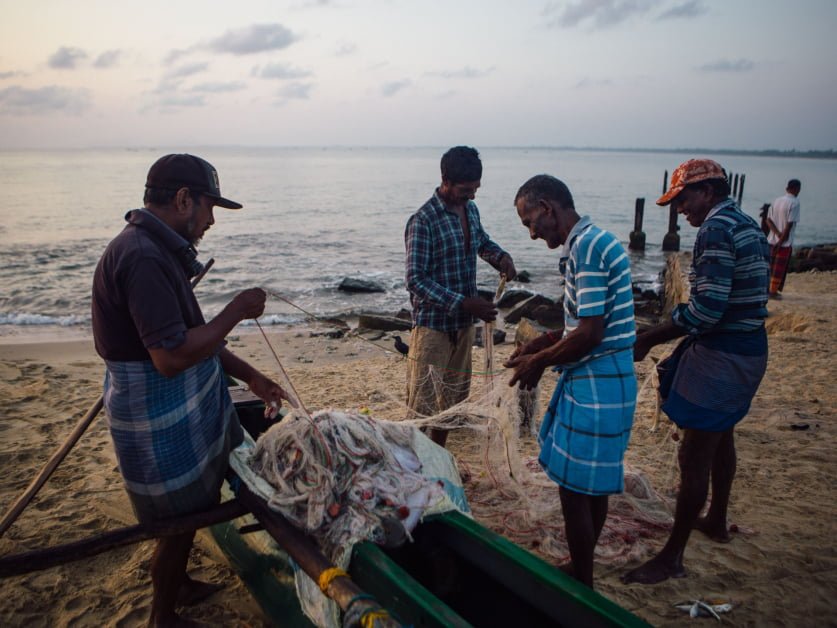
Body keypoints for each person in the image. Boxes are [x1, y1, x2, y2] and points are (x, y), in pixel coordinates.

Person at [91, 154, 291, 627]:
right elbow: (171, 356)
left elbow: (194, 336)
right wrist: (237, 309)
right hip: (157, 418)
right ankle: (162, 617)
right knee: (177, 522)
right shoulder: (141, 257)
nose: (211, 220)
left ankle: (177, 585)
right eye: (208, 207)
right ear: (183, 200)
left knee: (186, 515)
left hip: (177, 410)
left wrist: (251, 376)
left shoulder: (158, 250)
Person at [621, 159, 769, 585]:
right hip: (749, 348)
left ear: (707, 191)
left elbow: (707, 308)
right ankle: (717, 520)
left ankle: (672, 556)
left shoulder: (716, 229)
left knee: (694, 454)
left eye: (683, 199)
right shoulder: (746, 223)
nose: (680, 210)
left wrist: (651, 335)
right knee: (722, 437)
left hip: (724, 356)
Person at [504, 174, 636, 588]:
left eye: (530, 221)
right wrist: (539, 345)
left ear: (548, 207)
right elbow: (579, 324)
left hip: (598, 383)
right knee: (591, 486)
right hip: (603, 379)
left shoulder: (588, 248)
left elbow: (591, 334)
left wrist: (540, 362)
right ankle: (583, 568)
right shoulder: (590, 242)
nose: (530, 233)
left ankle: (583, 581)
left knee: (575, 492)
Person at [404, 146, 516, 447]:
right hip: (433, 327)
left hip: (464, 326)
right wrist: (463, 302)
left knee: (454, 400)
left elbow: (480, 241)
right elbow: (415, 279)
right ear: (445, 181)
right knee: (422, 403)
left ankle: (439, 455)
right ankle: (414, 461)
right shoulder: (423, 220)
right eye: (466, 190)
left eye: (476, 190)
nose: (473, 196)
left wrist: (500, 257)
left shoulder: (470, 210)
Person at [765, 179, 801, 299]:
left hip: (771, 240)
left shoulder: (777, 201)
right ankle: (773, 292)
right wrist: (781, 240)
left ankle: (766, 289)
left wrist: (776, 234)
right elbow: (789, 224)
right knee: (779, 269)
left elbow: (768, 220)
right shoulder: (794, 203)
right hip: (784, 243)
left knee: (769, 266)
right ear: (797, 189)